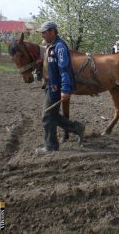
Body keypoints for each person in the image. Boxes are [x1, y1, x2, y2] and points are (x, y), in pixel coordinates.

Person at [35, 21, 85, 154]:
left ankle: (50, 146)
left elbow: (64, 70)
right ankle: (76, 127)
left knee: (47, 116)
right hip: (50, 86)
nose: (42, 35)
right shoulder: (50, 46)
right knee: (52, 115)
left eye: (44, 32)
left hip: (57, 88)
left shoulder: (60, 47)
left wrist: (65, 90)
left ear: (52, 32)